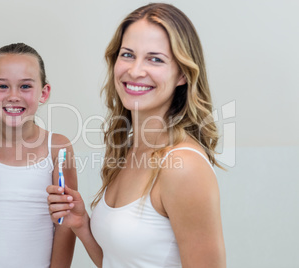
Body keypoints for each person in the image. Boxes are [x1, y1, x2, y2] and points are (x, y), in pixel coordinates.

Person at [47, 3, 226, 268]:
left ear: (183, 74)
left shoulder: (183, 167)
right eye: (128, 54)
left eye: (155, 59)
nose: (135, 70)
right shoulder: (130, 150)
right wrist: (82, 224)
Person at [0, 43, 77, 268]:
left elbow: (66, 223)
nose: (13, 96)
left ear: (43, 93)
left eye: (25, 86)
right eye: (2, 86)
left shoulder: (58, 147)